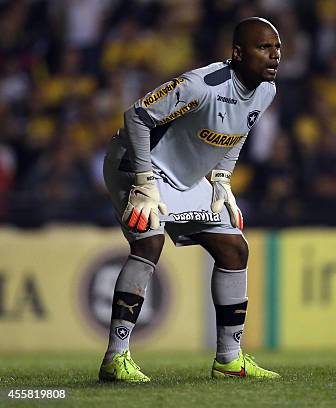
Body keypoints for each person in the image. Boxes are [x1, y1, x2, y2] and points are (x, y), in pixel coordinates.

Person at [99, 17, 281, 382]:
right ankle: (115, 359)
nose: (274, 56)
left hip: (185, 177)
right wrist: (145, 182)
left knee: (235, 249)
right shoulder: (201, 84)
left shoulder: (266, 91)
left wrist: (222, 178)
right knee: (148, 242)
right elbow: (135, 117)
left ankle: (230, 361)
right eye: (264, 48)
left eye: (278, 48)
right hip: (137, 164)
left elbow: (239, 132)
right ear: (237, 53)